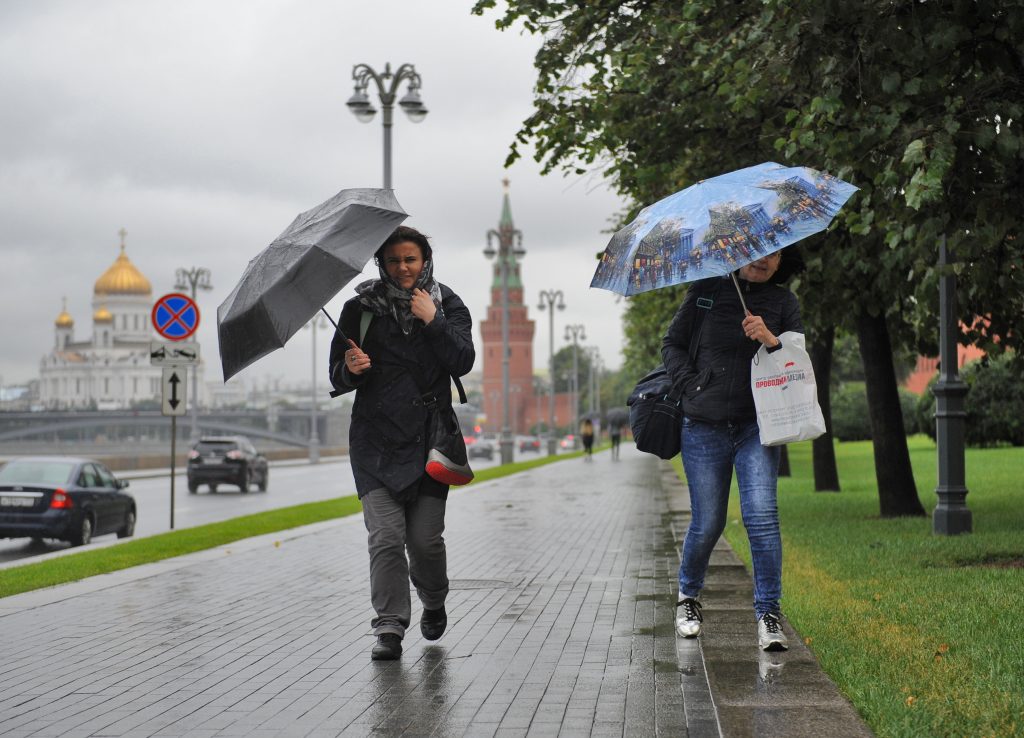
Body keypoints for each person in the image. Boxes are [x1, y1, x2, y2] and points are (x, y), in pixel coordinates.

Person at [329, 225, 475, 661]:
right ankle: (389, 626)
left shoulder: (446, 303)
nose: (403, 267)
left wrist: (433, 321)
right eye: (394, 260)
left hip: (431, 438)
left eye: (410, 259)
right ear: (382, 264)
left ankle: (433, 598)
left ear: (425, 260)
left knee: (425, 540)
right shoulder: (359, 309)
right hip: (374, 441)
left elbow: (463, 361)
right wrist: (352, 369)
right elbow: (336, 374)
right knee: (386, 538)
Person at [661, 248, 804, 652]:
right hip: (703, 427)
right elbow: (671, 345)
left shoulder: (783, 302)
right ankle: (688, 597)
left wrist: (771, 340)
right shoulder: (706, 291)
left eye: (774, 255)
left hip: (757, 426)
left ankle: (768, 614)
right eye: (758, 252)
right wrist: (692, 385)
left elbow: (798, 364)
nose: (765, 260)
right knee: (708, 522)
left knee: (761, 517)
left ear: (781, 262)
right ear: (741, 254)